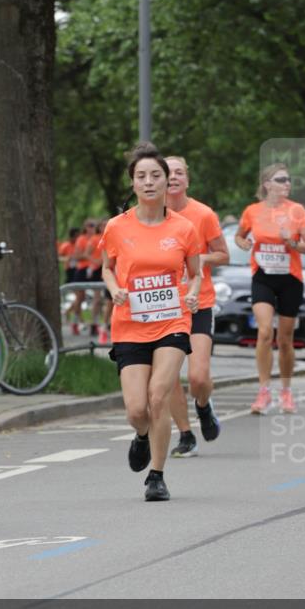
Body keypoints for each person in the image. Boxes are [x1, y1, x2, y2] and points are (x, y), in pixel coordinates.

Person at [101, 142, 200, 501]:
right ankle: (141, 434)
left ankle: (156, 476)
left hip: (172, 321)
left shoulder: (184, 228)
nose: (149, 182)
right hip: (130, 324)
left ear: (166, 180)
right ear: (133, 183)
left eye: (156, 175)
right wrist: (115, 289)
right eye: (141, 176)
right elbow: (107, 268)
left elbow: (196, 273)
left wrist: (192, 293)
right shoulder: (116, 227)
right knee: (137, 409)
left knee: (159, 396)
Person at [164, 156, 228, 456]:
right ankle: (186, 435)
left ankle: (203, 405)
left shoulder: (203, 214)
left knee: (198, 376)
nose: (173, 177)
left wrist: (201, 258)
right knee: (169, 376)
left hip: (198, 302)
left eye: (179, 172)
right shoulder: (151, 217)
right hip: (164, 307)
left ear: (187, 180)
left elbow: (223, 254)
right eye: (168, 173)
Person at [235, 163, 305, 415]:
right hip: (263, 277)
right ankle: (264, 391)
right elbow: (239, 235)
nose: (287, 183)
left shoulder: (297, 211)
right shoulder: (253, 211)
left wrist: (293, 242)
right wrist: (243, 243)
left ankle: (286, 391)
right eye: (281, 179)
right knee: (265, 331)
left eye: (288, 179)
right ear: (267, 184)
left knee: (285, 339)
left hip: (290, 279)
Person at [70, 219, 96, 334]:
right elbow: (76, 256)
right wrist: (88, 255)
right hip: (82, 269)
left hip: (95, 269)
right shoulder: (81, 239)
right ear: (85, 227)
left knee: (98, 298)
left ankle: (94, 324)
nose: (91, 228)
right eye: (89, 225)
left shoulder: (98, 238)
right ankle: (75, 322)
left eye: (93, 225)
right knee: (80, 298)